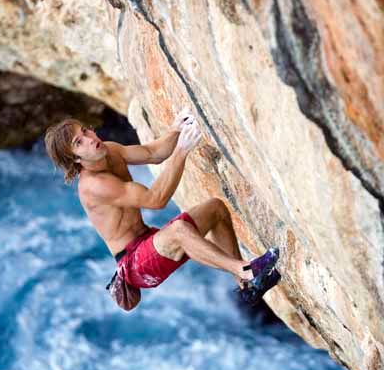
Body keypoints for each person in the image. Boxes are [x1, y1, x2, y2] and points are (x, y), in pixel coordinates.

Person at [44, 111, 280, 311]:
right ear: (74, 159)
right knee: (179, 230)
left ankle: (246, 287)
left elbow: (152, 153)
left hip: (147, 239)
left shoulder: (110, 150)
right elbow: (155, 200)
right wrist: (181, 152)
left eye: (85, 131)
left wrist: (175, 129)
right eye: (79, 143)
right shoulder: (94, 186)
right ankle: (246, 270)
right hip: (134, 265)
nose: (89, 138)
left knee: (216, 209)